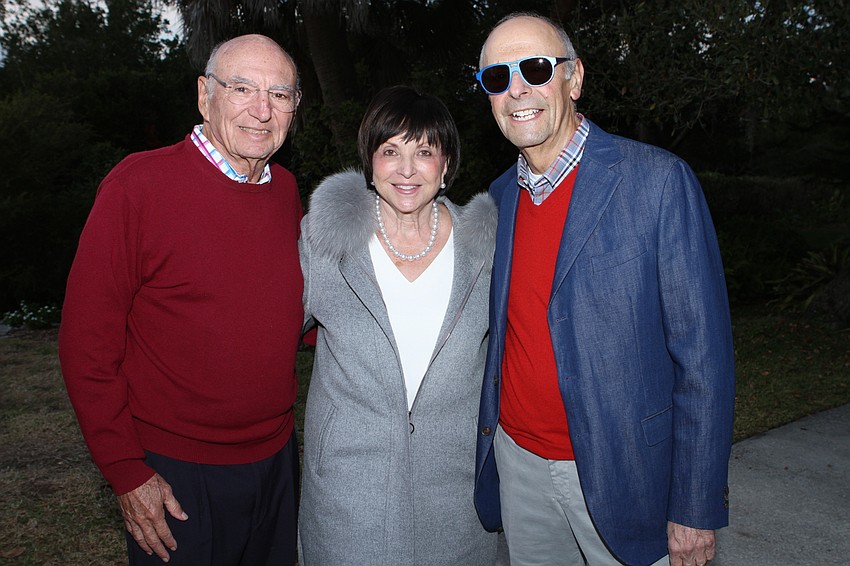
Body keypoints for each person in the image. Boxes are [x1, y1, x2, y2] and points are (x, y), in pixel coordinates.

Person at [473, 13, 736, 566]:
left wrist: (695, 504)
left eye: (535, 68)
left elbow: (704, 358)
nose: (516, 89)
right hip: (520, 467)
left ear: (574, 78)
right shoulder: (497, 199)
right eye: (497, 76)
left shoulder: (658, 182)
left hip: (628, 474)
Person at [58, 34, 304, 565]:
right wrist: (126, 470)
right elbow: (86, 344)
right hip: (175, 472)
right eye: (242, 88)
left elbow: (286, 310)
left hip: (277, 458)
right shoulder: (137, 186)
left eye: (280, 94)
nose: (262, 110)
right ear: (204, 96)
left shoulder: (286, 191)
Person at [298, 85, 501, 565]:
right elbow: (266, 335)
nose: (406, 169)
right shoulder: (324, 242)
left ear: (446, 165)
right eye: (390, 151)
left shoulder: (487, 250)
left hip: (456, 493)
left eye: (424, 152)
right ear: (370, 162)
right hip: (348, 490)